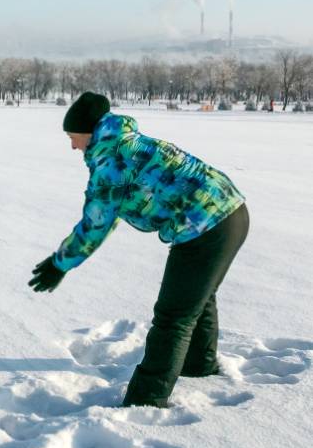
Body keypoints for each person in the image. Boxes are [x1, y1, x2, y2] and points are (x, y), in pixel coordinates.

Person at [28, 92, 248, 408]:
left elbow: (97, 221)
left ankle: (147, 399)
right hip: (231, 212)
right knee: (197, 295)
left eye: (73, 137)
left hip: (207, 225)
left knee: (174, 316)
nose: (73, 146)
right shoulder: (128, 142)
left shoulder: (112, 160)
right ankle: (199, 365)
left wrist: (60, 263)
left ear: (88, 132)